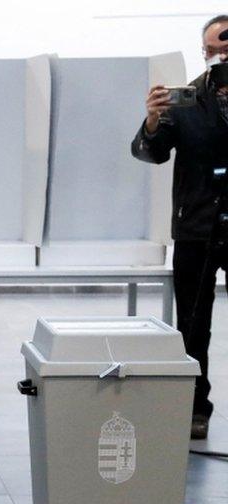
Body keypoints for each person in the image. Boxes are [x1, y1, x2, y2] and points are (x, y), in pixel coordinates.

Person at [131, 14, 228, 440]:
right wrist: (152, 120)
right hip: (196, 227)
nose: (220, 55)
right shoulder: (184, 99)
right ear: (204, 52)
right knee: (192, 325)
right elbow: (151, 153)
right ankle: (194, 408)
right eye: (214, 49)